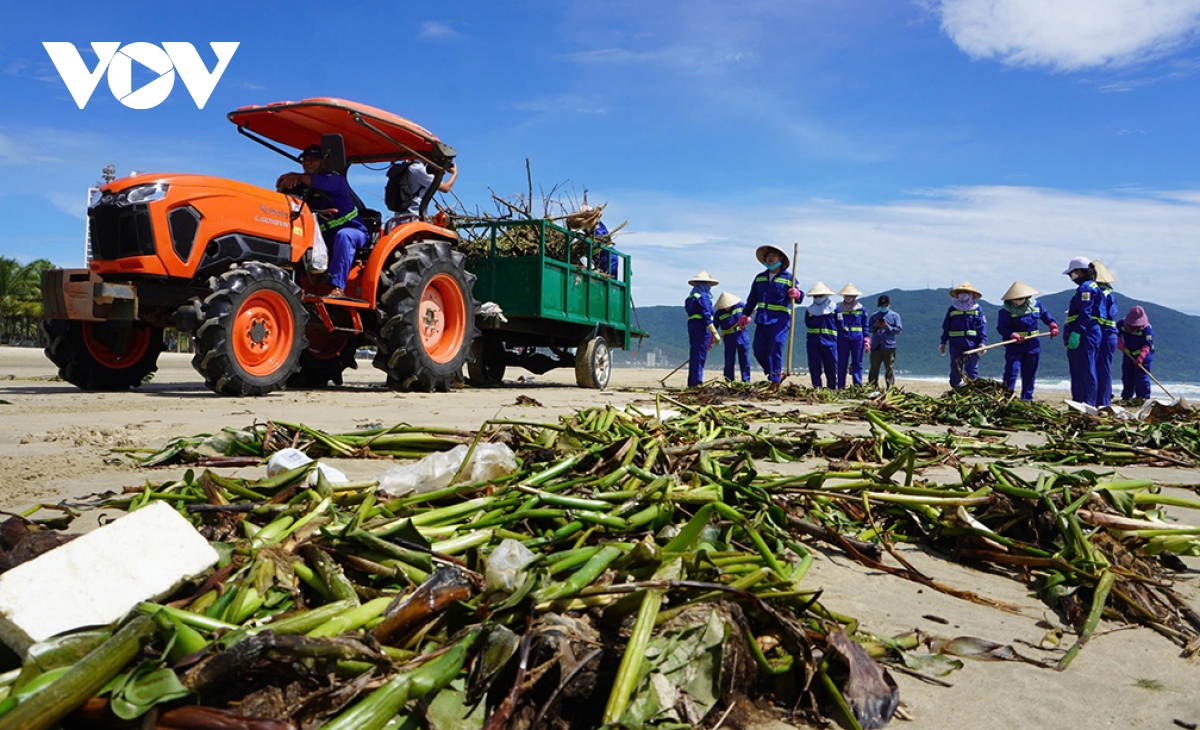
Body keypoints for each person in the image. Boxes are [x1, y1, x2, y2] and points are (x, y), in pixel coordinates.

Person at [276, 145, 369, 299]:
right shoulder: (303, 184)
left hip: (353, 231)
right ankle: (293, 289)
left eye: (313, 160)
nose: (308, 163)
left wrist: (295, 175)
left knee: (344, 236)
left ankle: (337, 287)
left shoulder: (336, 180)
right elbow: (283, 190)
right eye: (305, 160)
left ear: (324, 163)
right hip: (322, 235)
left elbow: (307, 179)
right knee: (293, 239)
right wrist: (285, 181)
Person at [739, 245, 804, 385]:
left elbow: (799, 298)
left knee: (775, 348)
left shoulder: (790, 278)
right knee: (758, 349)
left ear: (780, 258)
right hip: (762, 319)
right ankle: (775, 373)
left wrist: (797, 294)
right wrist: (745, 314)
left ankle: (775, 381)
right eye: (768, 255)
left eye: (774, 255)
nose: (770, 257)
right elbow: (752, 299)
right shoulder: (760, 278)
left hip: (780, 320)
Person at [996, 281, 1059, 400]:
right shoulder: (1005, 311)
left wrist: (1052, 325)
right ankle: (1006, 397)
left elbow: (1046, 317)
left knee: (1029, 374)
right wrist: (1012, 334)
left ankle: (1026, 399)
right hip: (1014, 346)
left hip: (1033, 344)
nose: (1019, 300)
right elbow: (1002, 328)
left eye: (1021, 298)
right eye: (1016, 299)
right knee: (1012, 371)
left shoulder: (1036, 306)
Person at [1063, 256, 1105, 406]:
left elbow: (1085, 313)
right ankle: (1080, 402)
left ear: (1079, 271)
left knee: (1086, 370)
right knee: (1080, 370)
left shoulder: (1086, 288)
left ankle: (1086, 403)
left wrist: (1077, 332)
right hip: (1087, 331)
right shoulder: (1089, 287)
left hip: (1086, 332)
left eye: (1071, 274)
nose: (1071, 277)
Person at [939, 282, 988, 388]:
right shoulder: (952, 309)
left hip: (972, 343)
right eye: (960, 293)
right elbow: (946, 326)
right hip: (955, 343)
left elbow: (982, 326)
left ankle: (972, 388)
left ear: (971, 295)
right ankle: (956, 388)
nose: (963, 295)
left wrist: (982, 343)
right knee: (956, 367)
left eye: (966, 293)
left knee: (971, 368)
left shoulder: (977, 309)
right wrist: (943, 342)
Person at [385, 158, 458, 227]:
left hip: (399, 218)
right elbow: (445, 188)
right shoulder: (418, 169)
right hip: (414, 218)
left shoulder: (404, 168)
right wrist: (454, 174)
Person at [684, 271, 720, 387]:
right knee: (699, 356)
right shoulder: (703, 297)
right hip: (701, 327)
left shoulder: (690, 297)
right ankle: (696, 383)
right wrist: (714, 333)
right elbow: (706, 315)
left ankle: (692, 382)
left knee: (694, 355)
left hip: (692, 325)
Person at [1091, 261, 1118, 406]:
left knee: (1101, 368)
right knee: (1101, 367)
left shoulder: (1101, 293)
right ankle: (1101, 400)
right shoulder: (1109, 292)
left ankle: (1103, 401)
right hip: (1107, 333)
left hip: (1105, 333)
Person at [804, 282, 838, 388]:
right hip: (813, 342)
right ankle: (817, 388)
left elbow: (840, 325)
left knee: (831, 366)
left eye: (820, 295)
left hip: (830, 342)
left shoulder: (835, 309)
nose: (818, 298)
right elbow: (808, 324)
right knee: (814, 367)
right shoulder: (810, 310)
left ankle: (832, 388)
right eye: (816, 296)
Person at [836, 284, 869, 388]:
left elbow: (865, 324)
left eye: (850, 295)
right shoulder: (839, 308)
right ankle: (840, 386)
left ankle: (857, 386)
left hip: (857, 338)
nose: (848, 297)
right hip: (842, 338)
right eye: (846, 295)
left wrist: (866, 339)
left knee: (857, 362)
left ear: (855, 296)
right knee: (842, 362)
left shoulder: (861, 309)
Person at [1118, 306, 1155, 400]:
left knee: (1141, 377)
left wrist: (1141, 357)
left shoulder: (1147, 329)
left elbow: (1147, 345)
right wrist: (1119, 343)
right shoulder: (1122, 324)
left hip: (1144, 356)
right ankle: (1126, 397)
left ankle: (1143, 398)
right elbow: (1114, 333)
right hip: (1128, 353)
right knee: (1127, 376)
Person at [867, 294, 902, 390]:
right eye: (882, 306)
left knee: (889, 368)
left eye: (885, 305)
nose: (883, 307)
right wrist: (876, 325)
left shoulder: (895, 316)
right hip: (876, 345)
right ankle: (872, 387)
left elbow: (898, 329)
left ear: (889, 304)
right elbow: (868, 329)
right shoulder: (874, 316)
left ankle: (890, 387)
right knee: (874, 368)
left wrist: (887, 326)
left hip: (889, 346)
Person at [714, 291, 750, 382]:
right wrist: (713, 337)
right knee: (729, 360)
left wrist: (747, 319)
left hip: (742, 334)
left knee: (745, 359)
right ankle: (729, 381)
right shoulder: (719, 314)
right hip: (729, 337)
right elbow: (714, 327)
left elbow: (748, 312)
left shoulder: (740, 306)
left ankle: (746, 381)